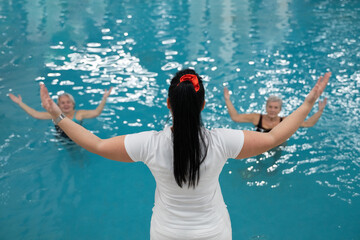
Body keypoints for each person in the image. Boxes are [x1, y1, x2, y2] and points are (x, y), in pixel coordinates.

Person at [40, 69, 331, 240]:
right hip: (214, 233)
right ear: (202, 104)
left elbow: (97, 145)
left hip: (166, 234)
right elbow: (276, 137)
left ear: (168, 103)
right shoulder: (221, 141)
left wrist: (58, 117)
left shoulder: (149, 144)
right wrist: (307, 103)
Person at [9, 88, 112, 138]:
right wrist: (20, 103)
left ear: (73, 104)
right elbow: (35, 114)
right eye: (62, 103)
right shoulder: (54, 115)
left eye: (68, 102)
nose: (66, 105)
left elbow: (96, 112)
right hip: (61, 139)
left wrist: (104, 98)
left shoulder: (79, 114)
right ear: (58, 106)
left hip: (78, 139)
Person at [223, 88, 327, 132]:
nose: (272, 110)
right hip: (260, 143)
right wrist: (227, 100)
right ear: (266, 107)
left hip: (278, 146)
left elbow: (308, 124)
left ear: (280, 109)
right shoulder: (256, 118)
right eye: (270, 107)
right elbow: (235, 118)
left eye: (275, 107)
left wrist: (320, 111)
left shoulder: (285, 121)